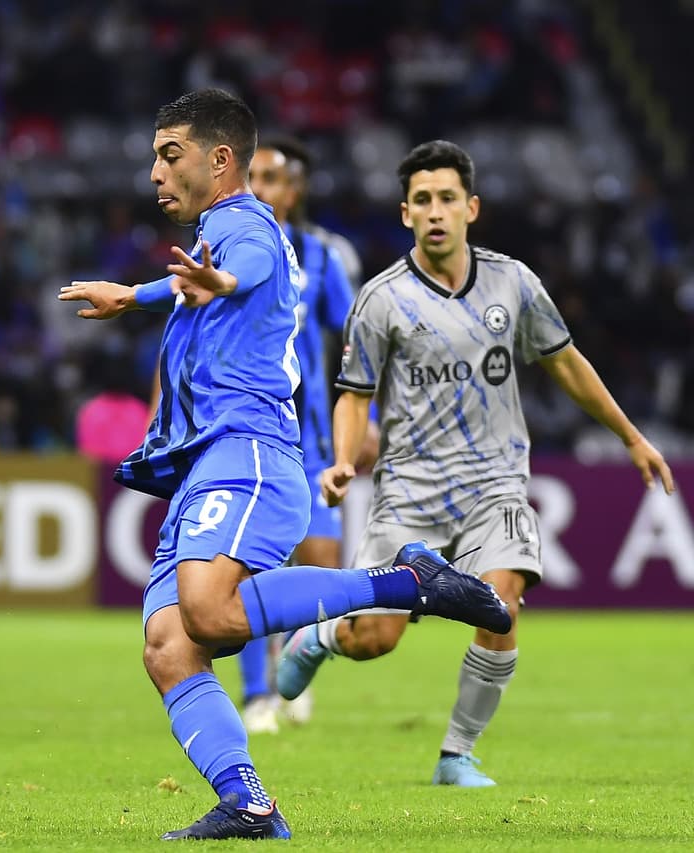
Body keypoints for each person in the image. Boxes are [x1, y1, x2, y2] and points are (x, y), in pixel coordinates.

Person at [58, 90, 512, 842]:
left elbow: (241, 269)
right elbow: (206, 282)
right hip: (204, 462)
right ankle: (249, 803)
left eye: (169, 155)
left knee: (209, 613)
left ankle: (410, 583)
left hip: (247, 450)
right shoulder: (218, 235)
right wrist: (147, 294)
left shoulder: (244, 225)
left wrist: (208, 285)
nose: (155, 173)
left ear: (220, 159)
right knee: (169, 646)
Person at [276, 140, 675, 788]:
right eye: (423, 200)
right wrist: (346, 460)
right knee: (375, 639)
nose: (436, 211)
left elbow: (566, 364)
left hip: (495, 485)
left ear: (472, 208)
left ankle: (456, 754)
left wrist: (630, 436)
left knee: (500, 605)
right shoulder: (381, 299)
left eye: (447, 198)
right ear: (406, 213)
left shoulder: (513, 283)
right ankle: (322, 638)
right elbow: (354, 393)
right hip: (409, 489)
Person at [227, 137, 360, 734]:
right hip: (249, 434)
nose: (258, 188)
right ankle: (257, 694)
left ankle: (296, 665)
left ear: (292, 189)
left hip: (311, 440)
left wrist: (366, 418)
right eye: (250, 177)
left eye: (270, 178)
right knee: (250, 570)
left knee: (321, 563)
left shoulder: (321, 258)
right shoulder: (223, 251)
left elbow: (357, 341)